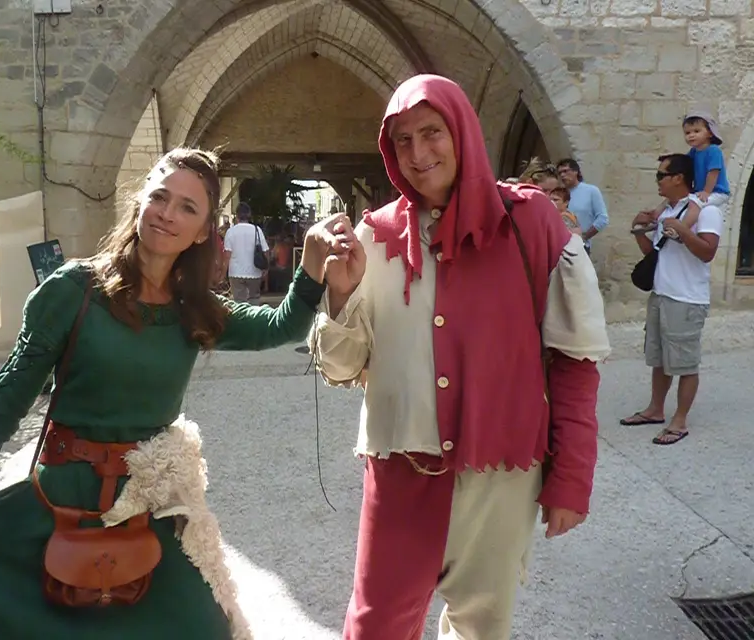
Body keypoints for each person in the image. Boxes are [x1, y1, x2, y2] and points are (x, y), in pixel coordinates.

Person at [0, 147, 351, 640]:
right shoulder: (72, 290)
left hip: (146, 507)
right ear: (141, 202)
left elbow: (280, 327)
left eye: (188, 208)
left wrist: (313, 266)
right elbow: (8, 395)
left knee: (203, 627)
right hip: (58, 501)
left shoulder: (193, 309)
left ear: (202, 233)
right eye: (160, 197)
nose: (168, 213)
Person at [308, 74, 611, 640]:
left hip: (500, 477)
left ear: (463, 132)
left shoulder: (532, 224)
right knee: (375, 626)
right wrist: (342, 296)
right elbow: (342, 370)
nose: (419, 155)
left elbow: (575, 363)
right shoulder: (374, 237)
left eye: (432, 132)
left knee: (480, 627)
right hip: (401, 471)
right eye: (402, 140)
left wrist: (571, 477)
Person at [620, 154, 722, 445]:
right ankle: (655, 409)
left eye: (661, 176)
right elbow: (656, 255)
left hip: (687, 298)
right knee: (660, 359)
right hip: (661, 294)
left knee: (685, 363)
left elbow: (707, 252)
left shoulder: (705, 211)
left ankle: (680, 420)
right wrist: (639, 229)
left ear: (678, 177)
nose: (658, 182)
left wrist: (683, 231)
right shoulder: (667, 211)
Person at [634, 111, 730, 240]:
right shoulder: (694, 152)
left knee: (695, 203)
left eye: (696, 131)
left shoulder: (713, 151)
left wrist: (706, 192)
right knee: (670, 200)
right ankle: (655, 218)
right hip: (700, 191)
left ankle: (681, 230)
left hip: (716, 191)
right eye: (688, 133)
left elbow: (713, 172)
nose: (691, 135)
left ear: (709, 133)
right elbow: (685, 164)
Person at [556, 157, 609, 253]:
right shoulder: (558, 193)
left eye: (565, 171)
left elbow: (602, 218)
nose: (562, 175)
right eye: (560, 173)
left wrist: (584, 236)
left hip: (581, 247)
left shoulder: (591, 191)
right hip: (558, 246)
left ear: (576, 171)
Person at [223, 202, 269, 303]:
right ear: (249, 215)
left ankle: (241, 318)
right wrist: (265, 268)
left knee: (239, 302)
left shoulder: (231, 232)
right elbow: (265, 250)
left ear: (236, 215)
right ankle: (253, 318)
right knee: (254, 299)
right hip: (255, 271)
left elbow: (227, 255)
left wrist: (223, 272)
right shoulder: (257, 230)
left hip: (235, 273)